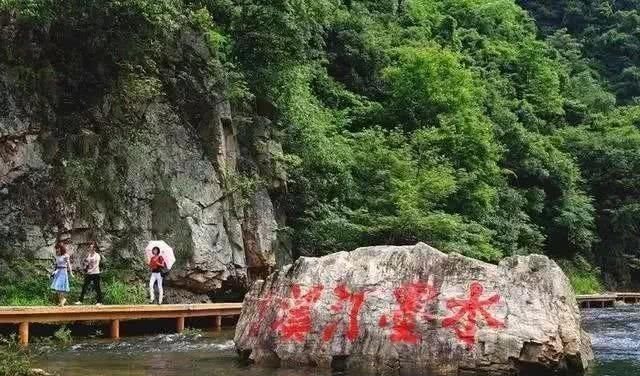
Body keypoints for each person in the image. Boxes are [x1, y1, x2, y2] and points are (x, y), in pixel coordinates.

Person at [75, 241, 103, 306]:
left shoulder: (97, 256)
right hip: (89, 273)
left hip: (95, 273)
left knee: (97, 287)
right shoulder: (89, 255)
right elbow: (87, 262)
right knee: (84, 286)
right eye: (90, 247)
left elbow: (96, 265)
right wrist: (85, 267)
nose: (90, 248)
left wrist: (90, 271)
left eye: (91, 247)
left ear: (94, 248)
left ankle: (99, 301)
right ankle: (80, 300)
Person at [51, 242, 73, 306]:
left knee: (61, 287)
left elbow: (69, 265)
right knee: (57, 287)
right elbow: (56, 265)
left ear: (61, 248)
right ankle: (61, 301)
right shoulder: (57, 256)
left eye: (58, 248)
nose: (57, 250)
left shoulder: (65, 256)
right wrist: (54, 272)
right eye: (56, 248)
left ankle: (62, 300)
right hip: (58, 272)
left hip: (63, 272)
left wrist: (71, 273)